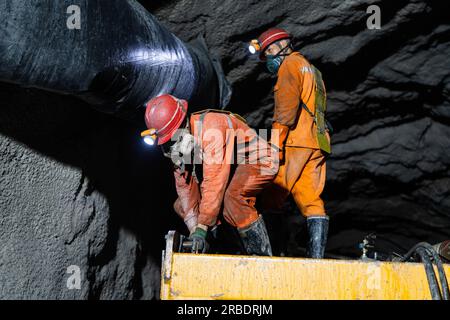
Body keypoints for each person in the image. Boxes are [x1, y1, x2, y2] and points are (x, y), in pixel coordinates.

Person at [140, 94, 278, 255]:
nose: (172, 145)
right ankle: (221, 249)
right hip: (231, 169)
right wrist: (195, 230)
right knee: (181, 205)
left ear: (182, 126)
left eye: (172, 138)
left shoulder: (212, 127)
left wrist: (202, 226)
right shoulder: (179, 144)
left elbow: (214, 180)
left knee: (232, 199)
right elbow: (185, 187)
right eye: (167, 142)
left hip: (259, 160)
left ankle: (261, 257)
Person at [249, 28, 332, 258]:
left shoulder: (289, 66)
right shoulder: (312, 70)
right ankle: (316, 259)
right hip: (317, 142)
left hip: (296, 142)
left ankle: (272, 255)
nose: (270, 56)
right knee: (309, 198)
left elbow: (286, 111)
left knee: (272, 194)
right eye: (267, 52)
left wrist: (275, 145)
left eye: (272, 49)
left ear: (285, 45)